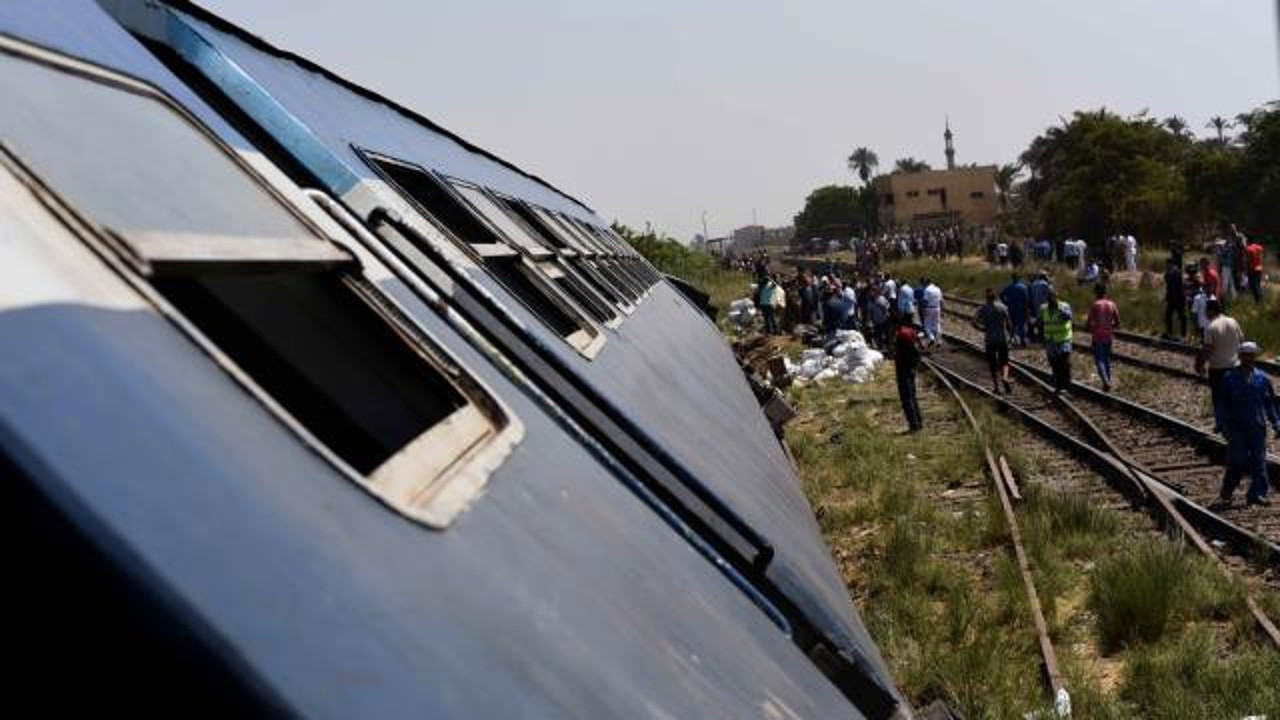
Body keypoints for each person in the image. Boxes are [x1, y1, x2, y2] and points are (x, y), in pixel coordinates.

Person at [1215, 342, 1280, 507]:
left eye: (1251, 355)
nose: (1248, 358)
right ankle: (1227, 490)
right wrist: (1222, 423)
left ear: (1255, 356)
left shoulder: (1262, 378)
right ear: (1239, 356)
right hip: (1236, 427)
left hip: (1257, 426)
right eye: (1245, 354)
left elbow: (1270, 404)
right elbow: (1221, 403)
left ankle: (1257, 494)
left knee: (1259, 461)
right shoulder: (1229, 378)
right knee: (1237, 460)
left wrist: (1276, 423)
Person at [1196, 299, 1243, 429]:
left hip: (1218, 368)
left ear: (1211, 310)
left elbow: (1207, 349)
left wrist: (1199, 364)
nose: (1205, 312)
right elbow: (1241, 340)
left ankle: (1221, 424)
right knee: (1234, 396)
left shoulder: (1210, 327)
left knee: (1218, 398)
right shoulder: (1233, 321)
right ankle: (1235, 421)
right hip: (1234, 366)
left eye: (1206, 310)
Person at [973, 288, 1014, 394]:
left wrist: (981, 329)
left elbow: (973, 321)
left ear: (986, 298)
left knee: (992, 364)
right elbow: (1009, 324)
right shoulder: (1003, 307)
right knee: (1005, 362)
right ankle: (1005, 377)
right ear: (995, 297)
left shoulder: (983, 308)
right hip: (1002, 338)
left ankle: (996, 386)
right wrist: (1011, 336)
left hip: (990, 340)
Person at [893, 314, 926, 432]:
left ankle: (914, 425)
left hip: (903, 368)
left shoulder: (902, 334)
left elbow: (912, 350)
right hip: (911, 367)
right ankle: (918, 422)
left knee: (906, 397)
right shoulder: (912, 332)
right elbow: (919, 349)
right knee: (912, 395)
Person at [1085, 284, 1121, 391]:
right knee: (1106, 359)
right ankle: (1108, 382)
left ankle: (1106, 381)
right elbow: (1118, 323)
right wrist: (1109, 327)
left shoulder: (1095, 305)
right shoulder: (1112, 304)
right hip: (1108, 335)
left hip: (1097, 336)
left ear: (1096, 293)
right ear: (1105, 292)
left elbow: (1088, 323)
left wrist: (1091, 328)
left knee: (1099, 360)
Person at [1039, 288, 1074, 393]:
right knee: (1054, 363)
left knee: (1064, 362)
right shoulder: (1043, 308)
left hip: (1063, 339)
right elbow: (1041, 322)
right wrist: (1040, 336)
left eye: (1053, 297)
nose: (1051, 300)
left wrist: (1059, 309)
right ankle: (1059, 384)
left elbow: (1068, 317)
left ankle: (1066, 384)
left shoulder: (1064, 306)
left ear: (1057, 298)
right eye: (1050, 298)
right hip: (1050, 340)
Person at [1001, 273, 1030, 347]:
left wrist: (1006, 303)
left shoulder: (1008, 287)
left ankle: (1012, 339)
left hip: (1011, 308)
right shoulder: (1023, 287)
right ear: (1018, 278)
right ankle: (1022, 341)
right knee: (1021, 325)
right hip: (1021, 309)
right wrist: (1027, 309)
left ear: (1012, 278)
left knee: (1012, 325)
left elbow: (1001, 294)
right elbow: (1026, 299)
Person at [1163, 258, 1187, 339]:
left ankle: (1183, 335)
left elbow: (1176, 287)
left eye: (1167, 264)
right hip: (1172, 299)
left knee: (1181, 317)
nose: (1166, 266)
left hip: (1178, 298)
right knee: (1168, 315)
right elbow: (1168, 286)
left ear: (1171, 264)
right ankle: (1170, 333)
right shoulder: (1170, 272)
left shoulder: (1175, 272)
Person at [1029, 271, 1051, 342]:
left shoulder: (1033, 284)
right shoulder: (1045, 284)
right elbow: (1050, 295)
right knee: (1044, 322)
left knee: (1038, 321)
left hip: (1034, 306)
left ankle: (1037, 336)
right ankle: (1042, 338)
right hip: (1044, 306)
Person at [922, 278, 943, 345]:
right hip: (937, 308)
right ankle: (939, 340)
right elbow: (941, 301)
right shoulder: (938, 289)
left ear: (926, 283)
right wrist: (942, 310)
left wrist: (923, 309)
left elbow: (925, 301)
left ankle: (931, 338)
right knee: (937, 324)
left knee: (927, 325)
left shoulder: (927, 290)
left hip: (929, 308)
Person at [1245, 236, 1265, 304]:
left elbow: (1249, 260)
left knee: (1253, 285)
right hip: (1259, 267)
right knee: (1258, 284)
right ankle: (1261, 299)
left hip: (1252, 268)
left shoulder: (1248, 249)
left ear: (1248, 241)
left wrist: (1247, 268)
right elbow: (1261, 257)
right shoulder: (1259, 247)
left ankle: (1258, 301)